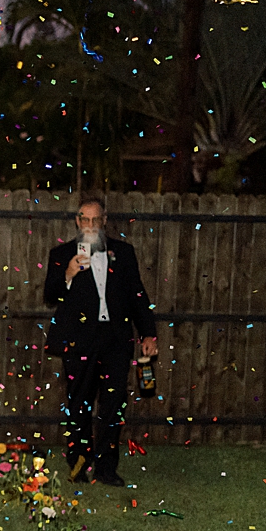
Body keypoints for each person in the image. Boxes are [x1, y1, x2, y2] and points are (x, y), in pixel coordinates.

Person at [42, 193, 158, 486]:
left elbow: (137, 296)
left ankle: (106, 468)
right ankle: (79, 464)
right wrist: (68, 273)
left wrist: (148, 333)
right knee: (78, 404)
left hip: (117, 341)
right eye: (86, 219)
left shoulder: (124, 253)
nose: (91, 225)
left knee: (113, 405)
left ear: (104, 221)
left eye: (96, 219)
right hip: (79, 342)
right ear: (78, 221)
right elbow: (49, 296)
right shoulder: (61, 254)